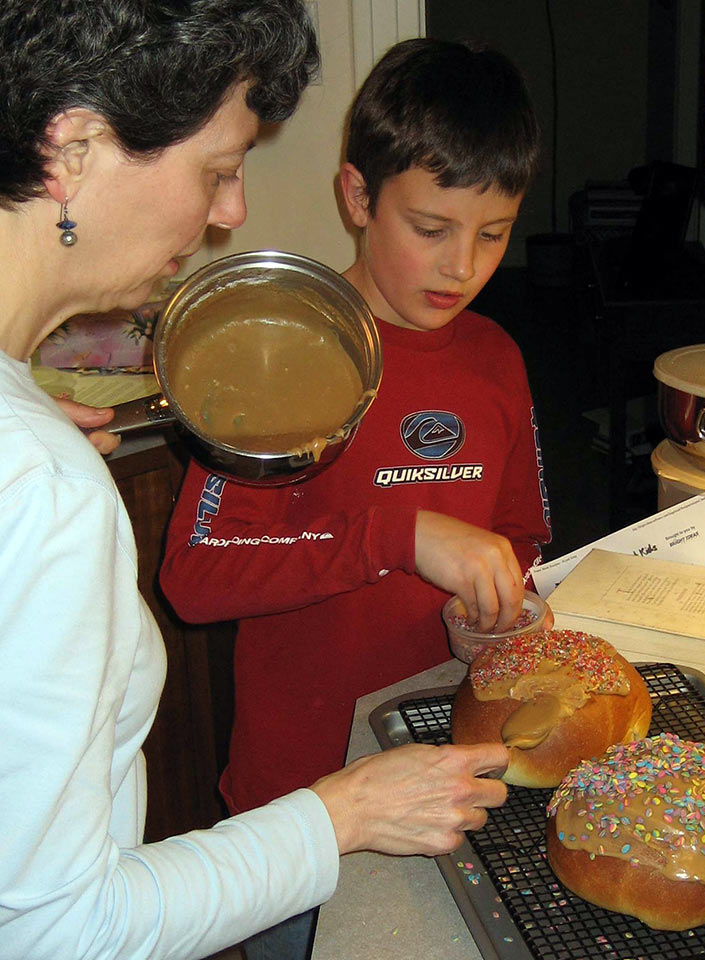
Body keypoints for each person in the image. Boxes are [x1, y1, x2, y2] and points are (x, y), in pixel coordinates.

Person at [0, 6, 511, 960]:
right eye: (219, 169)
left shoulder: (26, 462)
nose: (232, 212)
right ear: (72, 149)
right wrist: (342, 811)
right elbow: (57, 928)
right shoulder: (38, 490)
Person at [160, 39, 550, 955]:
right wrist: (396, 535)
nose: (462, 265)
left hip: (453, 782)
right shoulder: (274, 351)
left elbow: (522, 529)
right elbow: (196, 576)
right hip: (302, 811)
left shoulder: (496, 357)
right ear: (356, 196)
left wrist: (495, 607)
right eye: (430, 227)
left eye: (492, 234)